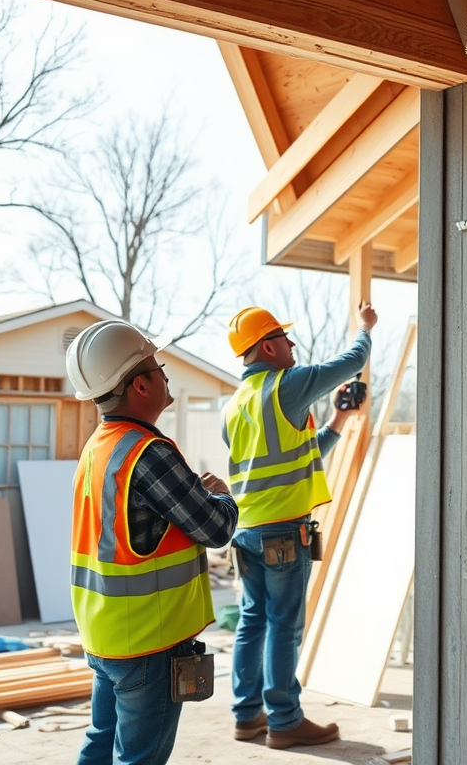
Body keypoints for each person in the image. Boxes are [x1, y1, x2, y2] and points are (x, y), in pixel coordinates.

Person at [64, 319, 239, 765]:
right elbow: (216, 529)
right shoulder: (148, 452)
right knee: (138, 758)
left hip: (106, 636)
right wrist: (219, 495)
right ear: (140, 386)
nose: (164, 375)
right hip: (147, 643)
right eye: (158, 367)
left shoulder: (99, 447)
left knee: (101, 745)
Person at [223, 300, 378, 748]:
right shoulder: (286, 385)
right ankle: (286, 721)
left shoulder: (234, 405)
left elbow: (298, 458)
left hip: (247, 531)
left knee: (254, 621)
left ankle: (247, 716)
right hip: (283, 532)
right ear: (267, 346)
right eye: (283, 337)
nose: (292, 344)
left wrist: (338, 421)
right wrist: (364, 327)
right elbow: (353, 361)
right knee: (284, 624)